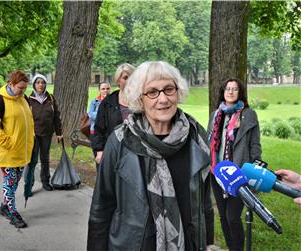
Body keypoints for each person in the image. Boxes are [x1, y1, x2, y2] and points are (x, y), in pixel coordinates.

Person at [87, 61, 214, 251]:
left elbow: (204, 202)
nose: (163, 99)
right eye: (152, 92)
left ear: (177, 92)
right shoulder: (120, 140)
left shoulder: (196, 136)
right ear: (140, 99)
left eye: (169, 89)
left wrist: (207, 242)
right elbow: (102, 207)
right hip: (134, 244)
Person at [207, 78, 261, 251]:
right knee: (223, 216)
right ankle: (232, 248)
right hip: (217, 173)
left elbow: (255, 144)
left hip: (239, 173)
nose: (230, 92)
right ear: (223, 92)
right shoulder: (216, 115)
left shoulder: (248, 114)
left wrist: (255, 168)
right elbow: (209, 142)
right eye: (227, 89)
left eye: (234, 89)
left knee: (232, 217)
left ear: (240, 93)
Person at [0, 70, 34, 228]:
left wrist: (31, 139)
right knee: (9, 183)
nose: (22, 91)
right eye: (20, 88)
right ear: (10, 84)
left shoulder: (24, 99)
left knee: (15, 181)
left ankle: (4, 206)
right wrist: (8, 142)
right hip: (8, 151)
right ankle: (13, 213)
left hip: (22, 150)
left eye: (24, 88)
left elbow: (28, 122)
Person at [24, 73, 63, 193]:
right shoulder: (28, 99)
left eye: (43, 82)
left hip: (47, 133)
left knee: (45, 159)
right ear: (34, 84)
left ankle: (45, 182)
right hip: (33, 135)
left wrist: (59, 132)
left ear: (45, 84)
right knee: (32, 161)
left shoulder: (50, 98)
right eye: (38, 82)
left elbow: (56, 116)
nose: (40, 85)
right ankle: (28, 186)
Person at [92, 63, 135, 164]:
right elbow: (98, 128)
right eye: (125, 77)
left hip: (136, 153)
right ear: (118, 80)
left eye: (132, 77)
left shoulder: (143, 100)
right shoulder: (108, 102)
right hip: (113, 151)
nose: (129, 81)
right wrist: (99, 151)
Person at [88, 81, 111, 157]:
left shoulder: (113, 101)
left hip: (109, 133)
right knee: (98, 156)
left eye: (107, 88)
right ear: (99, 90)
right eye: (103, 89)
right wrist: (102, 105)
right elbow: (91, 115)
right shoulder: (94, 102)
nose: (105, 91)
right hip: (95, 133)